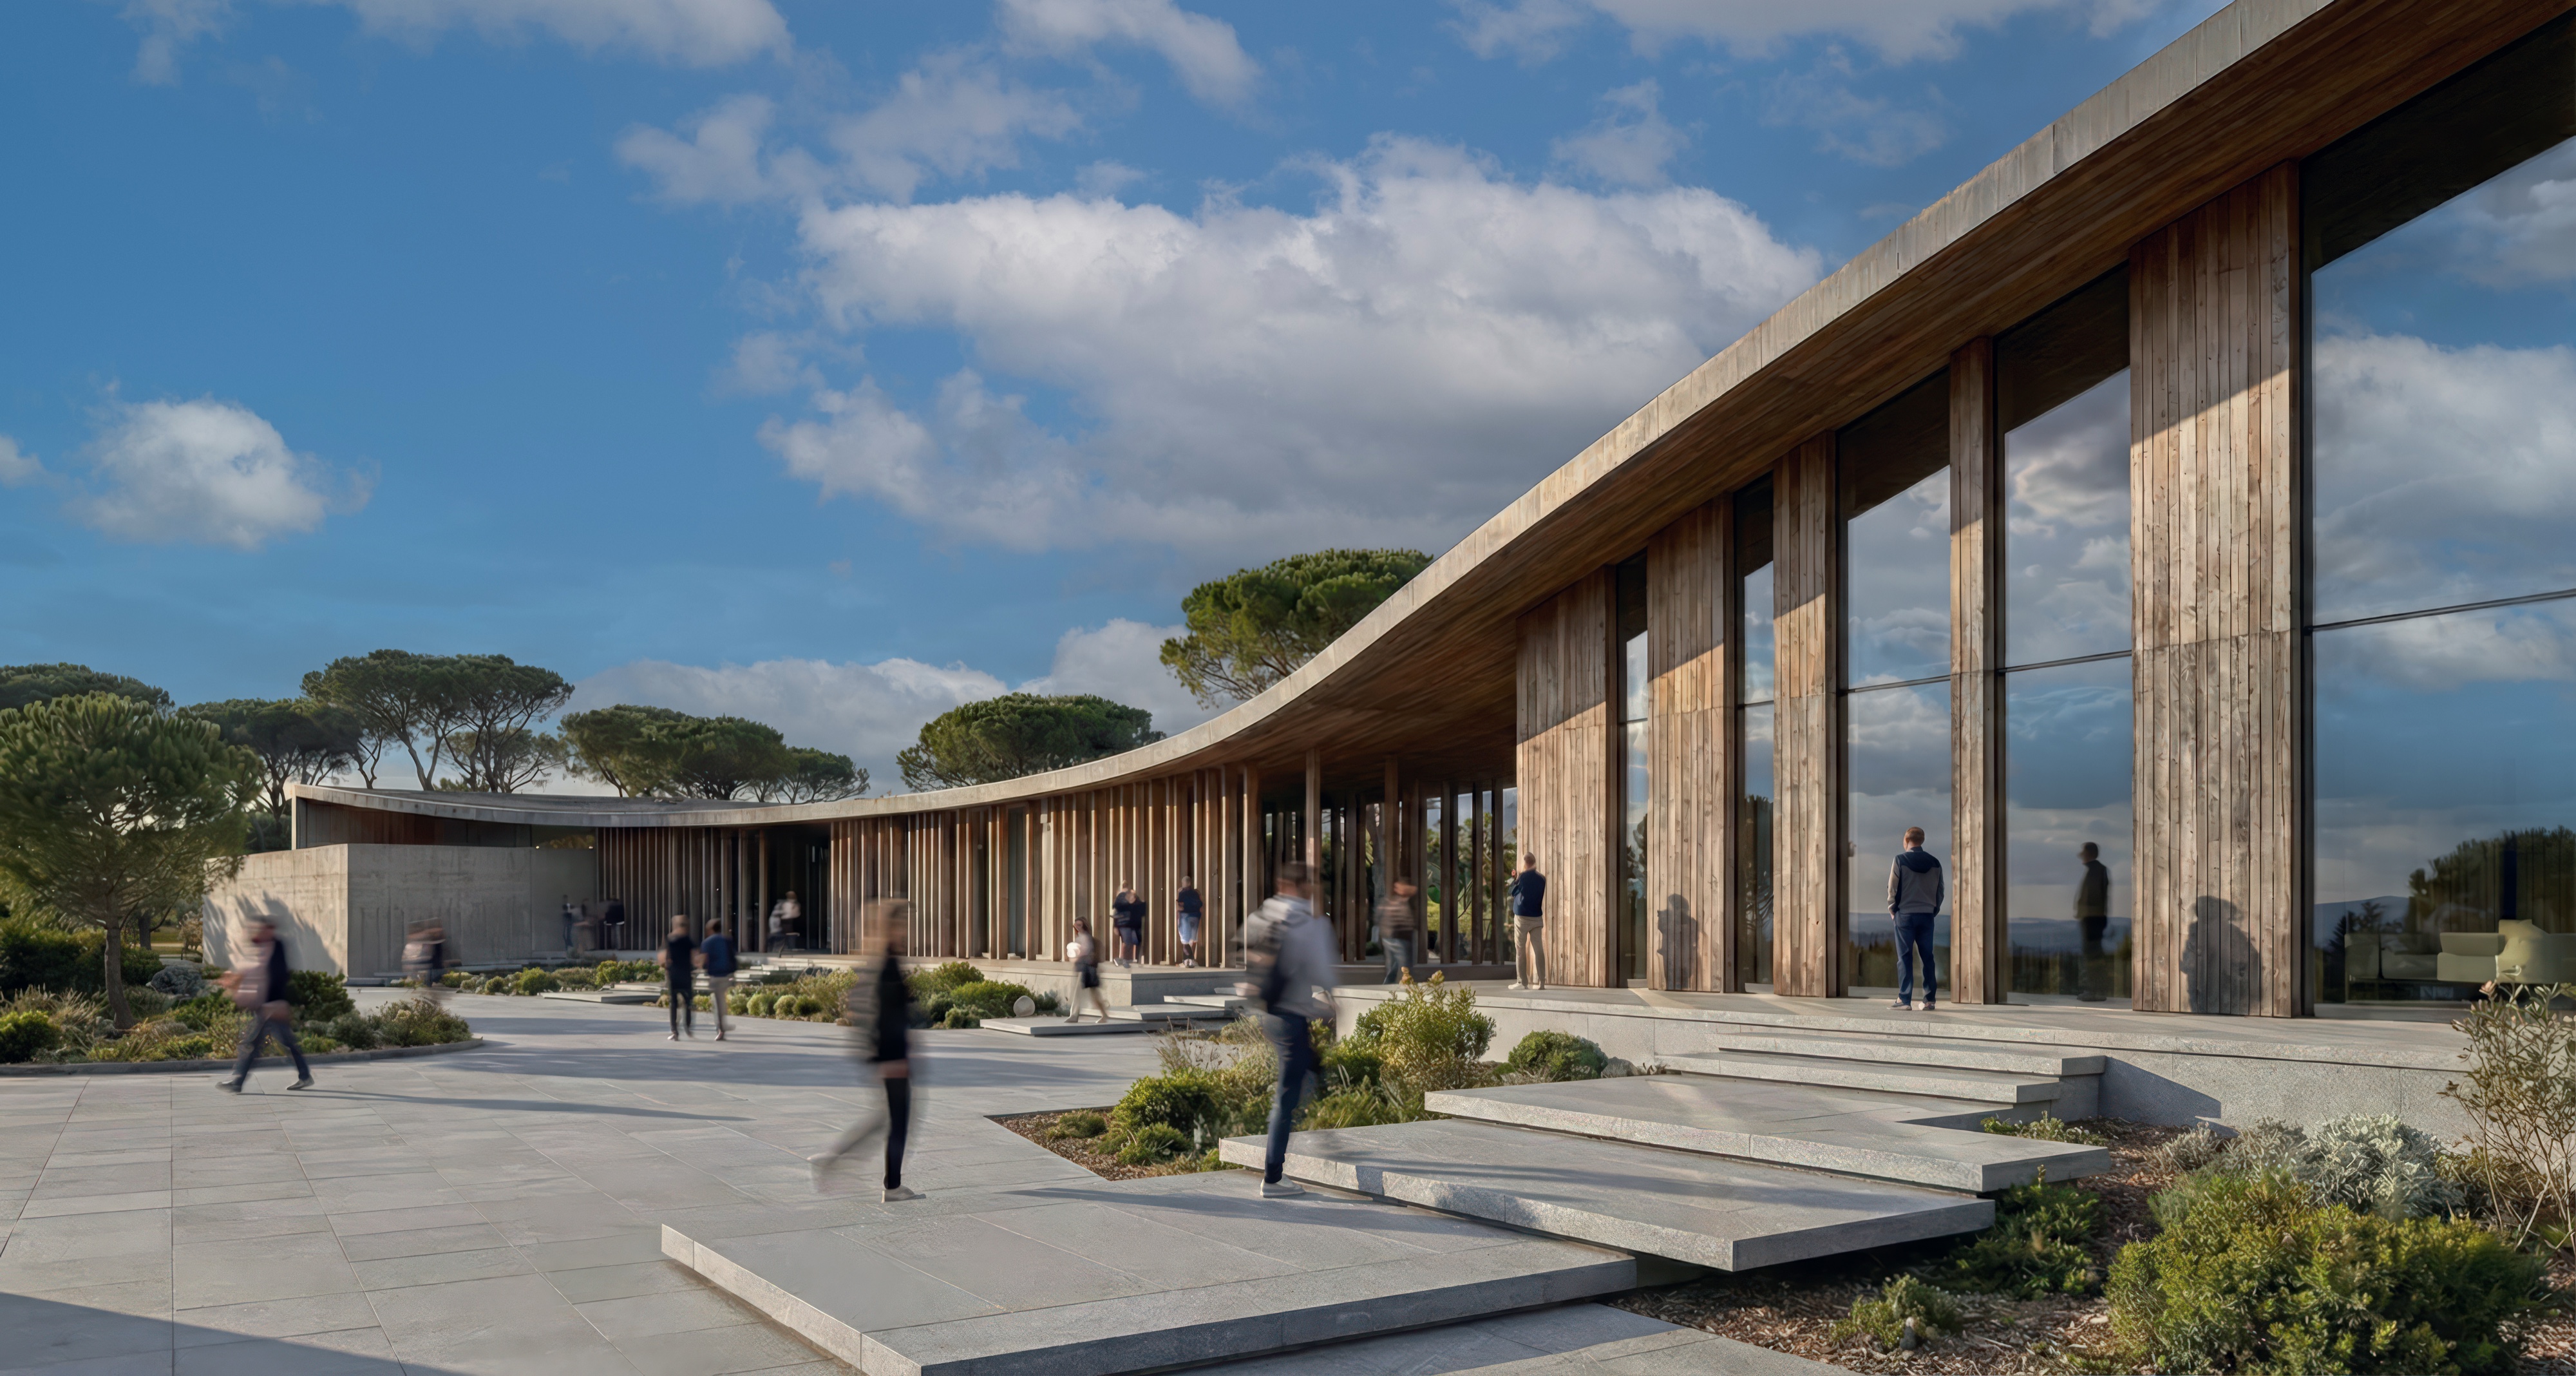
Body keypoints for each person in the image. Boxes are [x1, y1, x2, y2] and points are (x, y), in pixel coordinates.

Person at [811, 902, 921, 1202]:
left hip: (893, 1054)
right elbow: (884, 1016)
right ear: (891, 926)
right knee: (895, 1120)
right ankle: (888, 1184)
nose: (907, 929)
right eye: (903, 923)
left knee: (889, 1119)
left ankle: (887, 1181)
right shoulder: (887, 964)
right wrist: (892, 1057)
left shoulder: (888, 960)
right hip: (893, 1057)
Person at [1240, 863, 1335, 1199]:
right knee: (1287, 1096)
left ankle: (1331, 1117)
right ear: (1303, 886)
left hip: (1270, 1013)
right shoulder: (1309, 923)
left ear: (1281, 883)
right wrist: (1326, 1001)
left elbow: (1248, 958)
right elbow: (1323, 970)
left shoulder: (1260, 916)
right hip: (1293, 1016)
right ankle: (1274, 1177)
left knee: (1312, 1068)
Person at [217, 921, 313, 1093]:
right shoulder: (267, 946)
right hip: (268, 1007)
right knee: (262, 1044)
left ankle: (238, 1082)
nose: (259, 932)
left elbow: (278, 977)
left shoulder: (276, 948)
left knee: (255, 1044)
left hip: (273, 1007)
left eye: (262, 929)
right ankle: (304, 1076)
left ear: (270, 929)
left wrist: (274, 1004)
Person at [1887, 827, 1945, 1011]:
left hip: (1905, 916)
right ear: (1922, 840)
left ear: (1906, 840)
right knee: (1927, 957)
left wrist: (1893, 910)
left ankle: (1904, 1000)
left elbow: (1892, 890)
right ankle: (1929, 1000)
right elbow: (1940, 891)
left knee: (1904, 957)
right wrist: (1932, 910)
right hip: (1927, 916)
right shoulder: (1935, 863)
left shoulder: (1900, 860)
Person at [2075, 842, 2112, 1002]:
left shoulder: (2096, 871)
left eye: (2084, 852)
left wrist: (2087, 915)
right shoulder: (2097, 870)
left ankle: (2094, 991)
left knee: (2092, 956)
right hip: (2094, 919)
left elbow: (2095, 897)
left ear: (2089, 853)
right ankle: (2097, 990)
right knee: (2094, 955)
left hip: (2092, 920)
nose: (2081, 856)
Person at [1508, 854, 1547, 990]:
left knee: (1520, 949)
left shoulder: (1523, 877)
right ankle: (1542, 982)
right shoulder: (1542, 879)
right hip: (1536, 917)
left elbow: (1512, 892)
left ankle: (1522, 982)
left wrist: (1516, 879)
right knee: (1539, 949)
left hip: (1522, 918)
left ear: (1525, 864)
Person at [1065, 917, 1110, 1024]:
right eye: (1076, 925)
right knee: (1088, 994)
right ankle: (1076, 1015)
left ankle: (1075, 1015)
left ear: (1084, 926)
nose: (1077, 927)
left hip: (1087, 969)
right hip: (1082, 968)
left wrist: (1077, 953)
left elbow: (1085, 952)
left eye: (1080, 925)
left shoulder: (1086, 937)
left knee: (1088, 994)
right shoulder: (1079, 937)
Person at [700, 918, 739, 1040]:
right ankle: (722, 1027)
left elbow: (705, 960)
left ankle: (721, 1028)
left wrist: (705, 970)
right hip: (726, 975)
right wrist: (734, 973)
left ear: (711, 930)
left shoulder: (707, 942)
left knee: (718, 1002)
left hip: (715, 976)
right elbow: (733, 957)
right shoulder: (727, 940)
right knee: (720, 1000)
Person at [660, 916, 698, 1040]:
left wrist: (667, 969)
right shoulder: (688, 940)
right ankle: (687, 1026)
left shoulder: (669, 939)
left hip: (674, 975)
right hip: (686, 975)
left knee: (674, 1003)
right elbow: (694, 958)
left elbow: (664, 958)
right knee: (687, 1002)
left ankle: (674, 1031)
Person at [1378, 879, 1419, 984]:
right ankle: (1404, 984)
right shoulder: (1397, 901)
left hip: (1392, 935)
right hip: (1398, 936)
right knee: (1405, 964)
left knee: (1394, 964)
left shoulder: (1392, 901)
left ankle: (1389, 985)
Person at [1111, 883, 1145, 967]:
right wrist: (1115, 926)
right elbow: (1116, 914)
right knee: (1126, 941)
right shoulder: (1121, 901)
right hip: (1124, 924)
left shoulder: (1133, 900)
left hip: (1131, 924)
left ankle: (1129, 958)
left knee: (1133, 940)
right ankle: (1122, 958)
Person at [1176, 877, 1204, 969]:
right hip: (1196, 917)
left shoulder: (1182, 892)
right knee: (1193, 940)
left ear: (1183, 883)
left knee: (1185, 941)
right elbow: (1201, 904)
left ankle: (1189, 960)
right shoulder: (1196, 892)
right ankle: (1189, 961)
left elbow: (1180, 906)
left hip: (1185, 917)